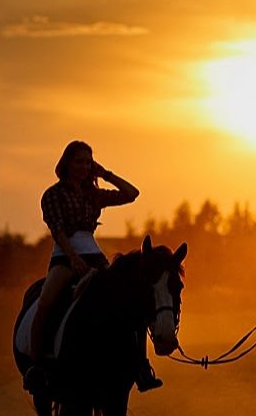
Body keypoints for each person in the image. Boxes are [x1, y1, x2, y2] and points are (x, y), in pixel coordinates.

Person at [23, 140, 163, 394]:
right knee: (45, 302)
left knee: (130, 301)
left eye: (88, 162)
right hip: (65, 257)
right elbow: (58, 230)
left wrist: (105, 173)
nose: (84, 167)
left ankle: (140, 365)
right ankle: (37, 366)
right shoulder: (53, 194)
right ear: (66, 163)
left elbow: (132, 193)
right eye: (79, 161)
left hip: (95, 256)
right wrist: (73, 257)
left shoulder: (93, 194)